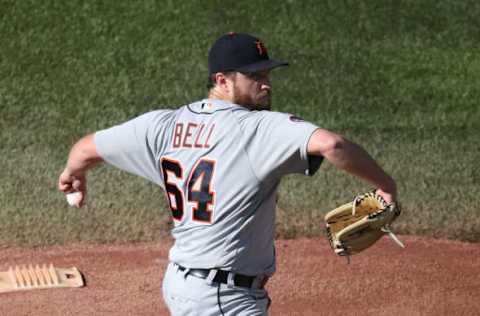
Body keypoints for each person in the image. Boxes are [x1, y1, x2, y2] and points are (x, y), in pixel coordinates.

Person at [58, 32, 397, 315]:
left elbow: (87, 148)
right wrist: (385, 186)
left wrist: (74, 173)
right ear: (222, 80)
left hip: (181, 284)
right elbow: (334, 145)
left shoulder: (162, 125)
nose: (266, 85)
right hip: (225, 300)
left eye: (267, 75)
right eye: (255, 77)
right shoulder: (257, 128)